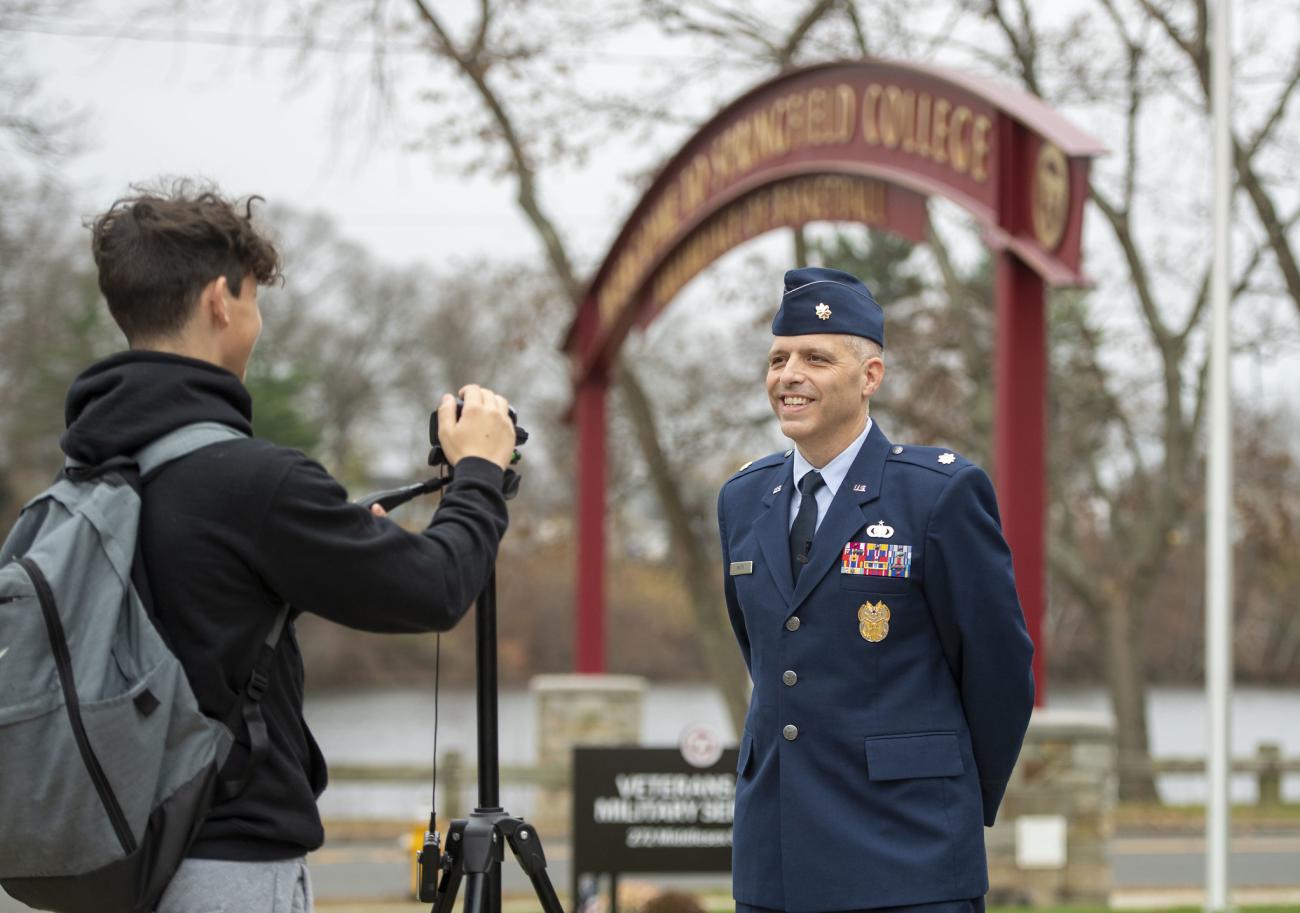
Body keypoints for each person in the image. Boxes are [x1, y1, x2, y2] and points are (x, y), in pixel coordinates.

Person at [66, 182, 517, 912]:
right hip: (224, 866)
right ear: (221, 301)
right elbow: (435, 586)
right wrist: (480, 473)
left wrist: (305, 560)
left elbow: (188, 624)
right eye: (255, 301)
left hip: (106, 862)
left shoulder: (89, 472)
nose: (256, 320)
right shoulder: (252, 481)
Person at [716, 267, 1035, 913]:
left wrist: (952, 793)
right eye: (778, 358)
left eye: (815, 357)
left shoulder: (938, 493)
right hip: (774, 861)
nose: (788, 374)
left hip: (907, 855)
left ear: (870, 376)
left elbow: (999, 670)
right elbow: (770, 656)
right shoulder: (743, 497)